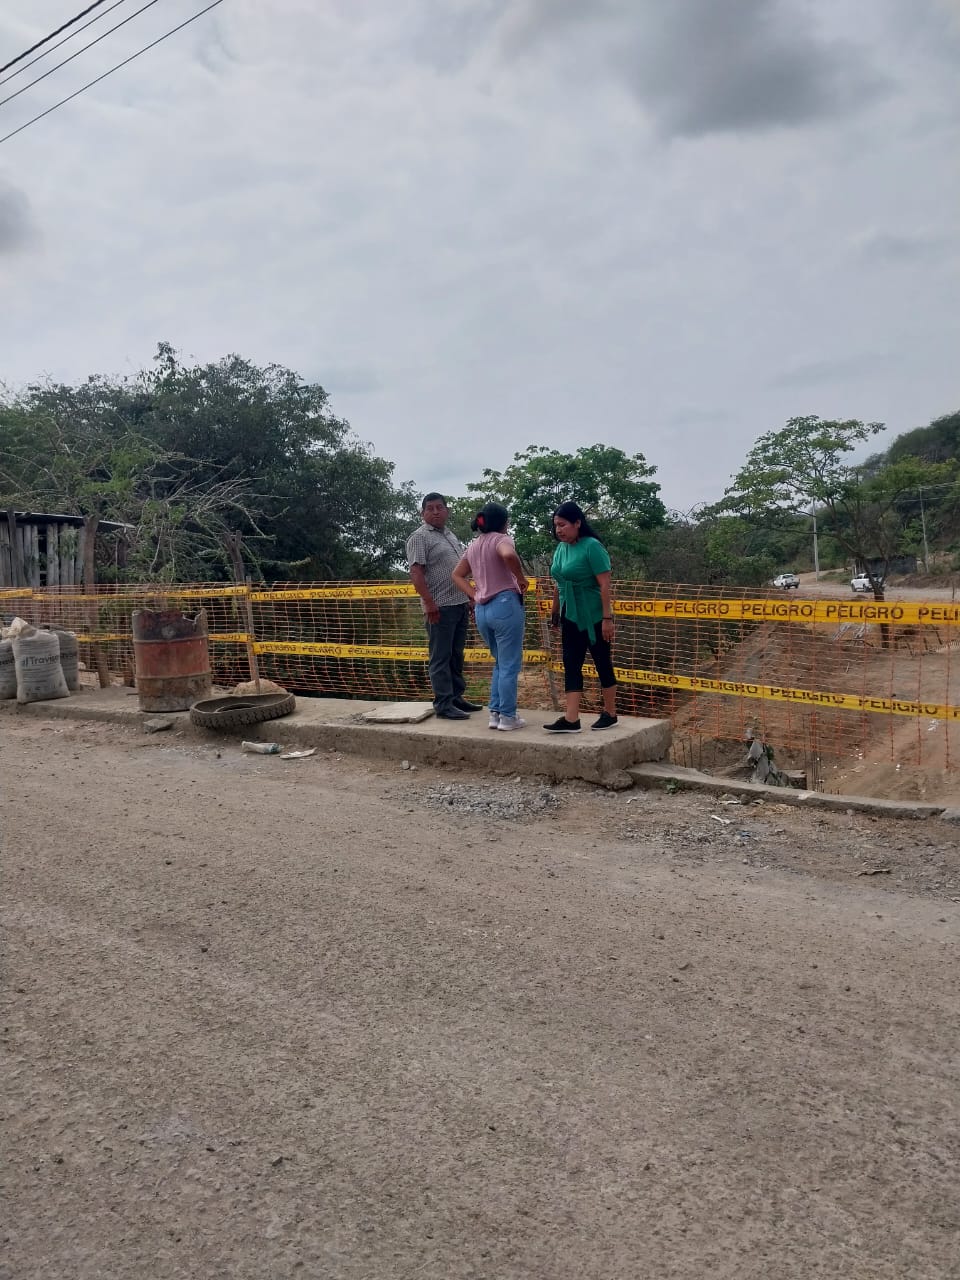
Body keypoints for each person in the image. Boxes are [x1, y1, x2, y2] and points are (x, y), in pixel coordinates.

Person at [451, 503, 530, 732]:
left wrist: (474, 594)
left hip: (482, 609)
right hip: (505, 605)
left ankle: (495, 713)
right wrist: (520, 578)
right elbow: (508, 555)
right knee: (509, 664)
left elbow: (457, 575)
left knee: (500, 662)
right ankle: (508, 716)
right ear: (504, 522)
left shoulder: (474, 545)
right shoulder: (501, 539)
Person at [406, 492, 482, 720]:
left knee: (456, 655)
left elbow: (459, 570)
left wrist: (469, 597)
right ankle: (443, 703)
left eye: (440, 507)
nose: (436, 512)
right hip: (439, 607)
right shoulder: (419, 537)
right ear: (422, 513)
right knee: (440, 656)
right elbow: (416, 572)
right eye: (430, 508)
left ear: (447, 510)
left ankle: (456, 697)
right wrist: (429, 603)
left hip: (459, 604)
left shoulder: (449, 535)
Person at [545, 500, 618, 733]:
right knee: (571, 663)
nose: (558, 530)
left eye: (563, 525)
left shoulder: (592, 547)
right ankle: (571, 718)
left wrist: (607, 619)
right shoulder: (561, 548)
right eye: (556, 525)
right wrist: (555, 611)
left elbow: (604, 584)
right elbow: (559, 582)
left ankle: (610, 712)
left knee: (601, 661)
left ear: (577, 523)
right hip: (570, 612)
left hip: (593, 614)